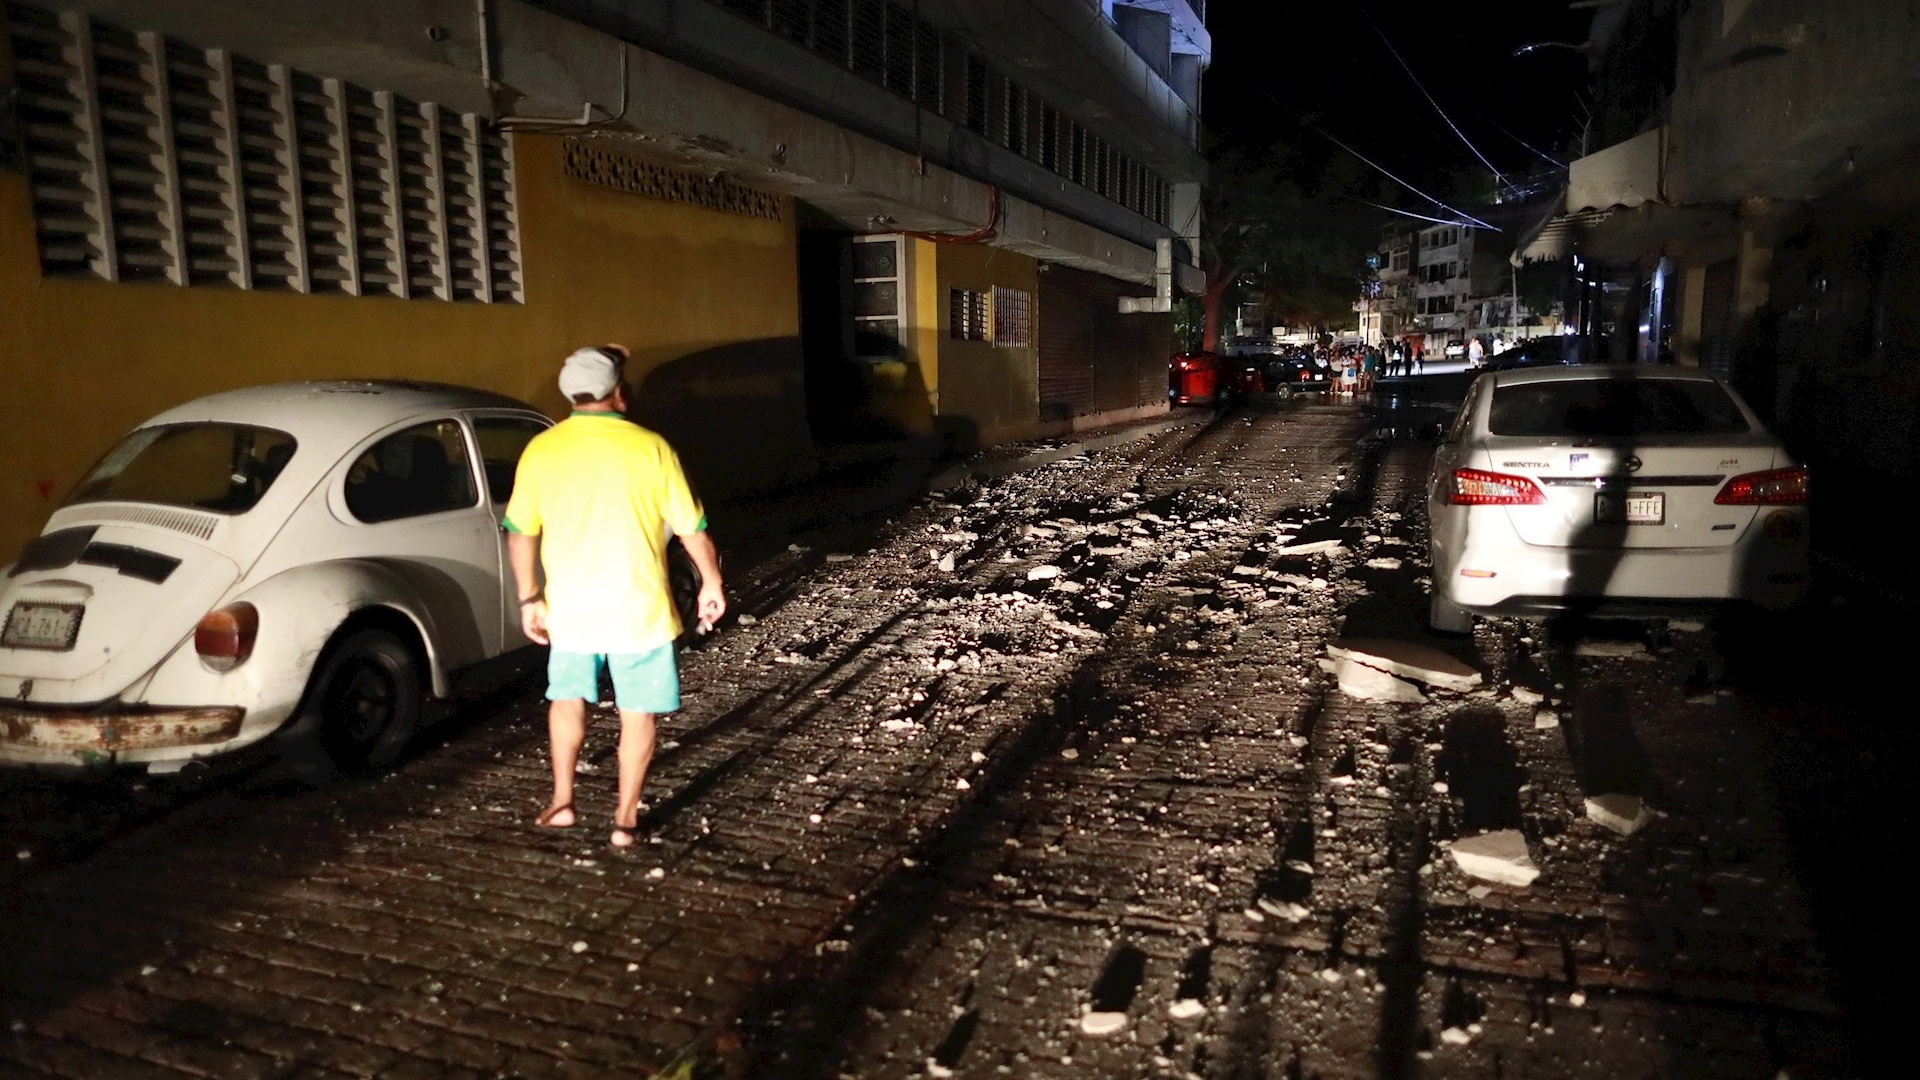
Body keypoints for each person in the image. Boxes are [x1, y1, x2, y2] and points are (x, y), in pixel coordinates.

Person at [505, 345, 726, 849]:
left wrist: (529, 597)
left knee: (566, 700)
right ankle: (624, 821)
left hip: (571, 609)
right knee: (638, 712)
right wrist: (711, 582)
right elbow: (692, 528)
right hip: (638, 608)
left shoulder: (542, 449)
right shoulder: (651, 448)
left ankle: (563, 802)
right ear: (619, 394)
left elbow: (520, 533)